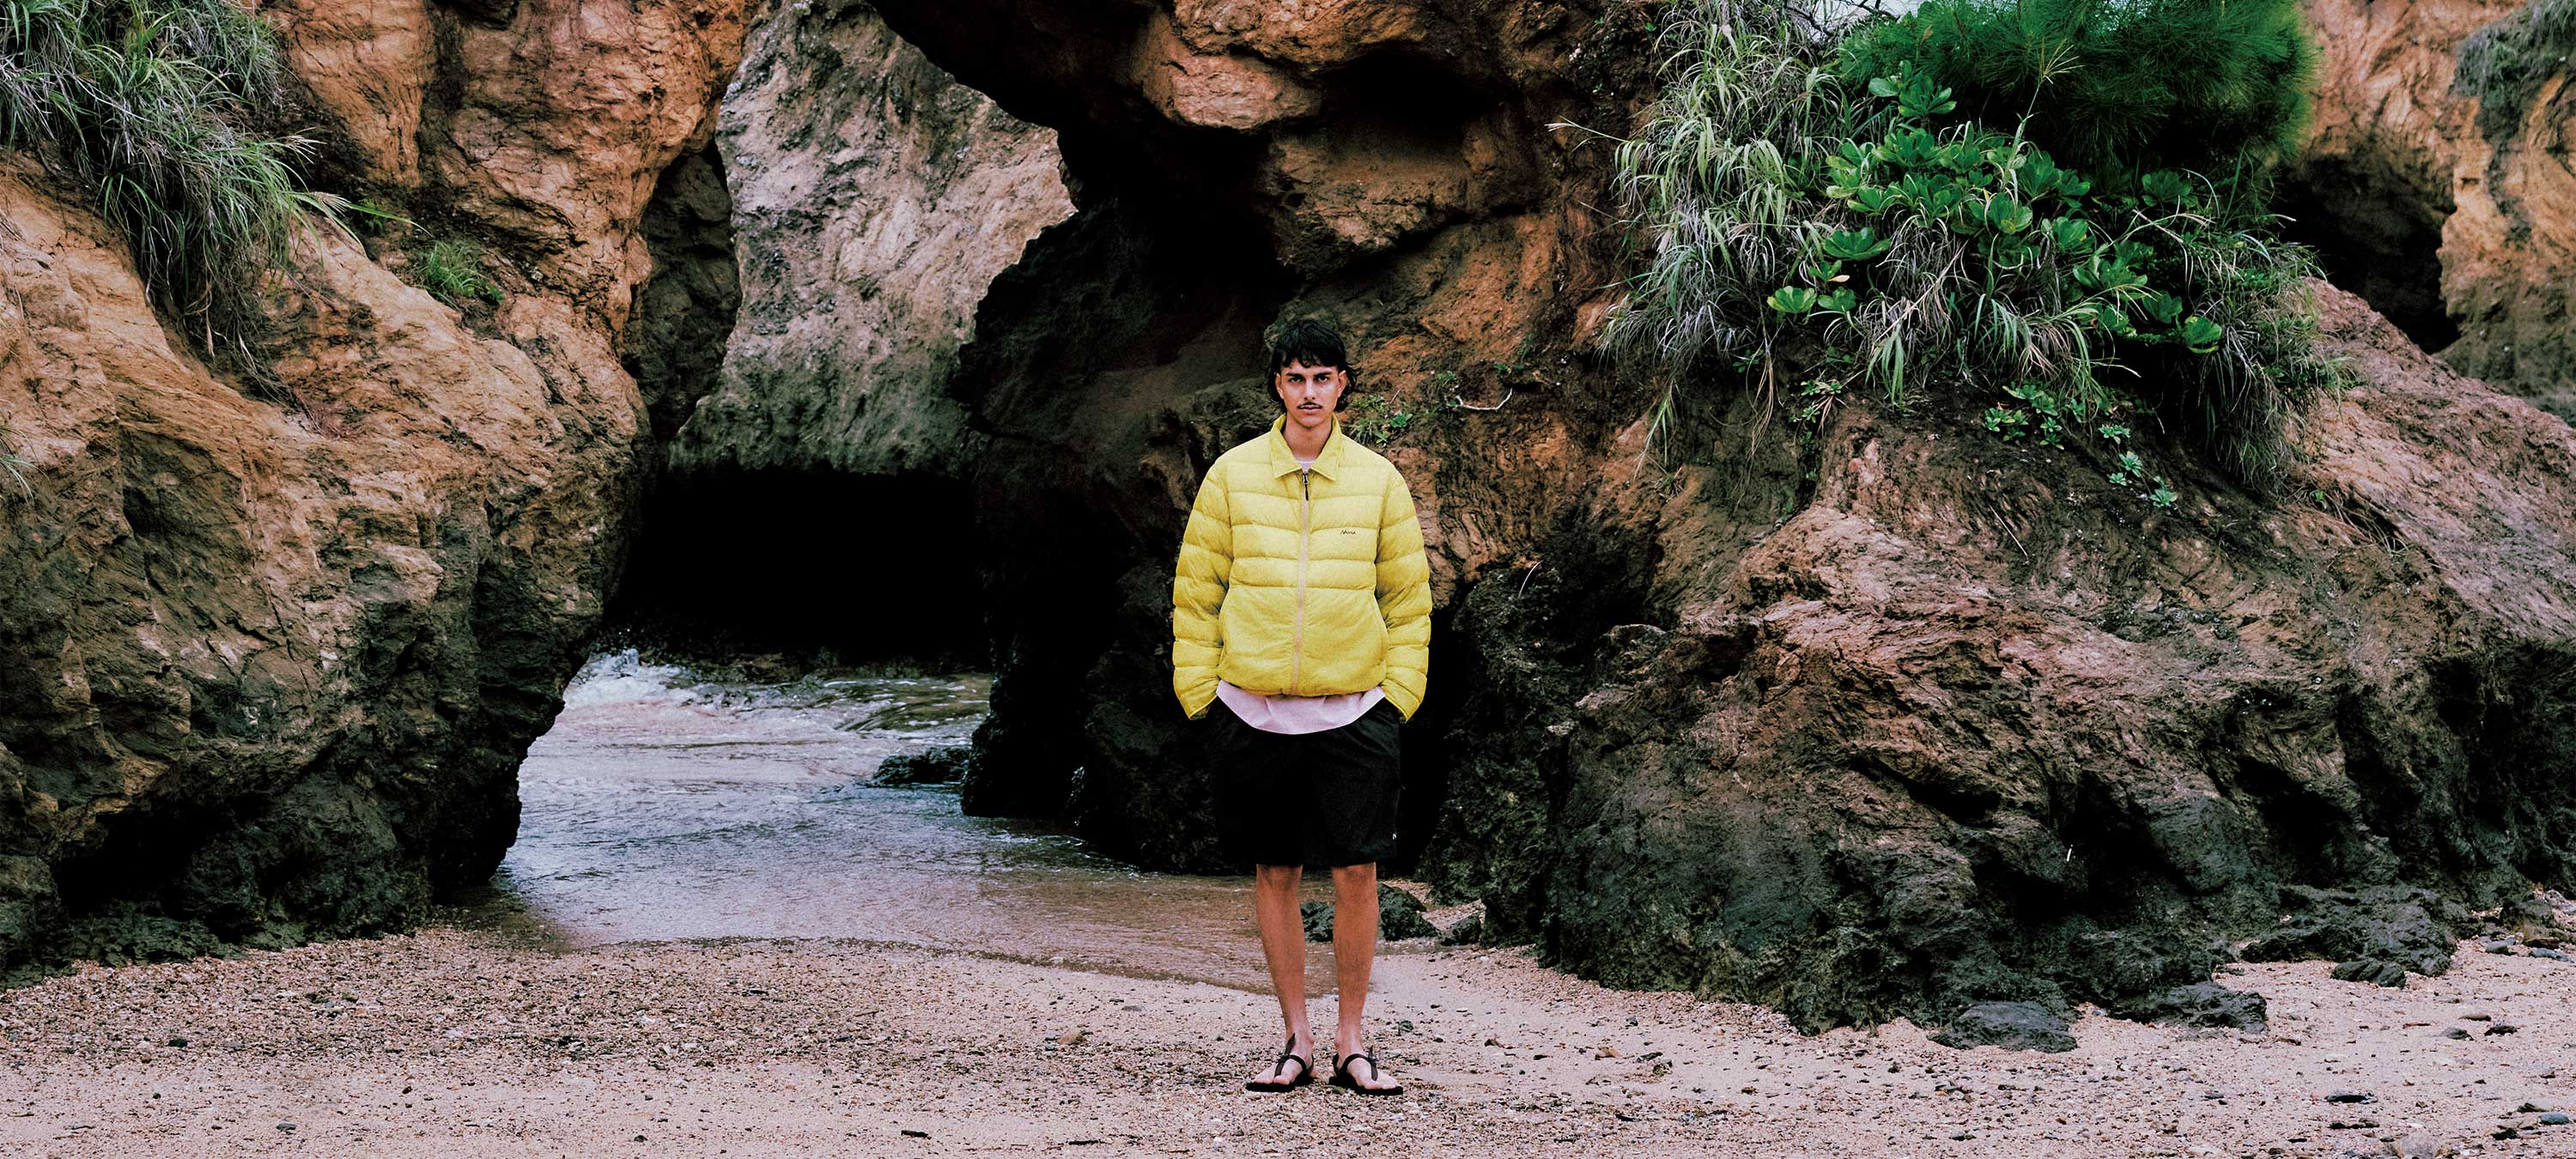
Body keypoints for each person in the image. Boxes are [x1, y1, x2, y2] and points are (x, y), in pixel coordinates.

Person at [1170, 317, 1431, 1096]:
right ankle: (1296, 1039)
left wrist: (1397, 697)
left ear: (1342, 385)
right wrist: (1202, 694)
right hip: (1250, 711)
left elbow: (1409, 600)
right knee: (1275, 871)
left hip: (1355, 710)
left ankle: (1352, 1040)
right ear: (1277, 387)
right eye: (1295, 378)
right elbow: (1195, 593)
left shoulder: (1379, 480)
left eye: (1322, 378)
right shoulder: (1232, 476)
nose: (1309, 393)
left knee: (1357, 871)